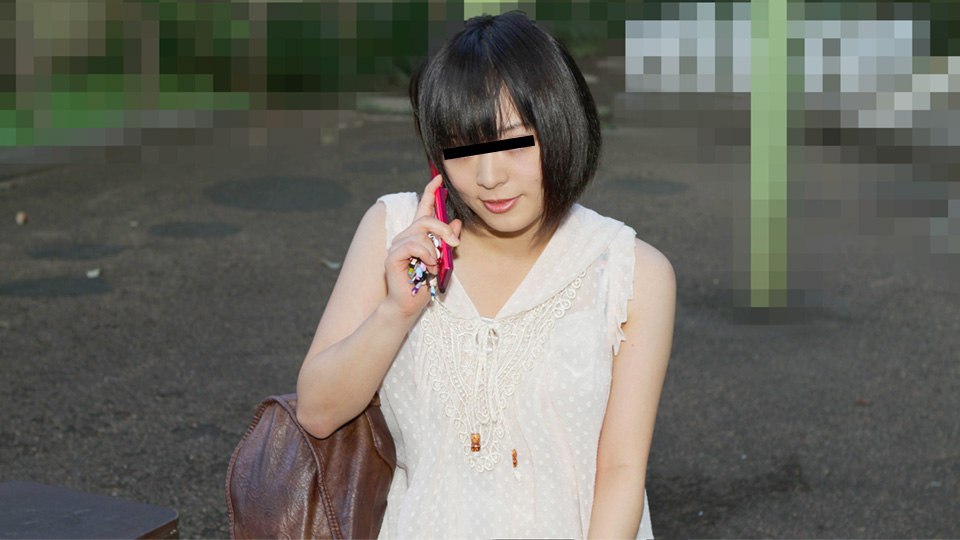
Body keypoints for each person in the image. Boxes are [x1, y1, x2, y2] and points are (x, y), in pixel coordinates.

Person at [296, 11, 674, 539]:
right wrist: (396, 311)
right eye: (463, 149)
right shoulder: (394, 231)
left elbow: (621, 472)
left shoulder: (631, 272)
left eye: (515, 143)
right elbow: (316, 412)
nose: (490, 177)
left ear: (563, 127)